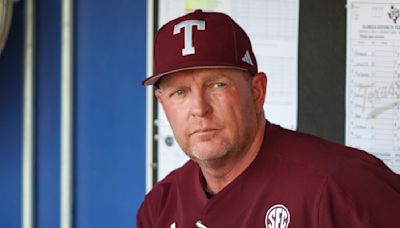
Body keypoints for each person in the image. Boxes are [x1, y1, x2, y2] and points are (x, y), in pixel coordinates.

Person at [137, 10, 400, 228]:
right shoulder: (160, 206)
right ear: (163, 103)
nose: (199, 109)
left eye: (217, 85)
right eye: (180, 92)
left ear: (256, 92)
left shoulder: (341, 186)